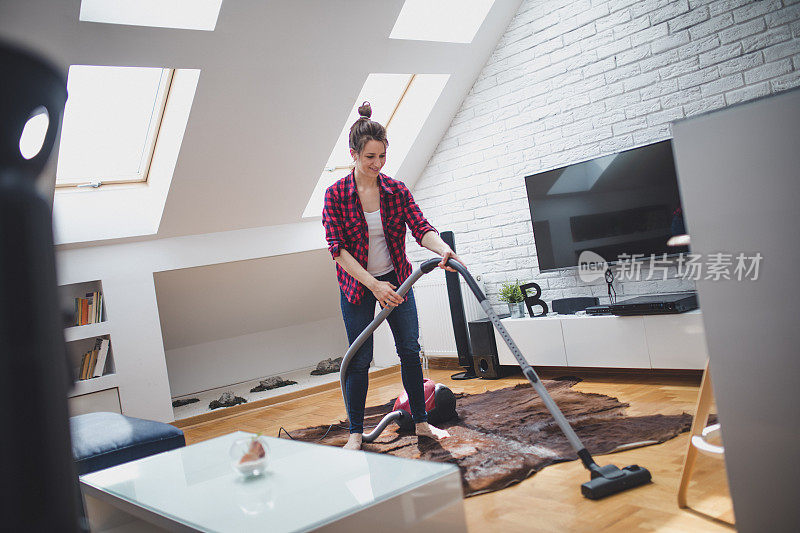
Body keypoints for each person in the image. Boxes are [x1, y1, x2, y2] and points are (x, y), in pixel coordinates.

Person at [322, 101, 465, 450]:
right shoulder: (335, 195)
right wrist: (373, 284)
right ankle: (356, 433)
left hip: (398, 281)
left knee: (409, 351)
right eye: (370, 157)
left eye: (382, 156)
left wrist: (442, 249)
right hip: (358, 287)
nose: (377, 164)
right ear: (353, 154)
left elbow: (421, 228)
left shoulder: (395, 190)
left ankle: (421, 424)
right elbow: (337, 249)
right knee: (359, 360)